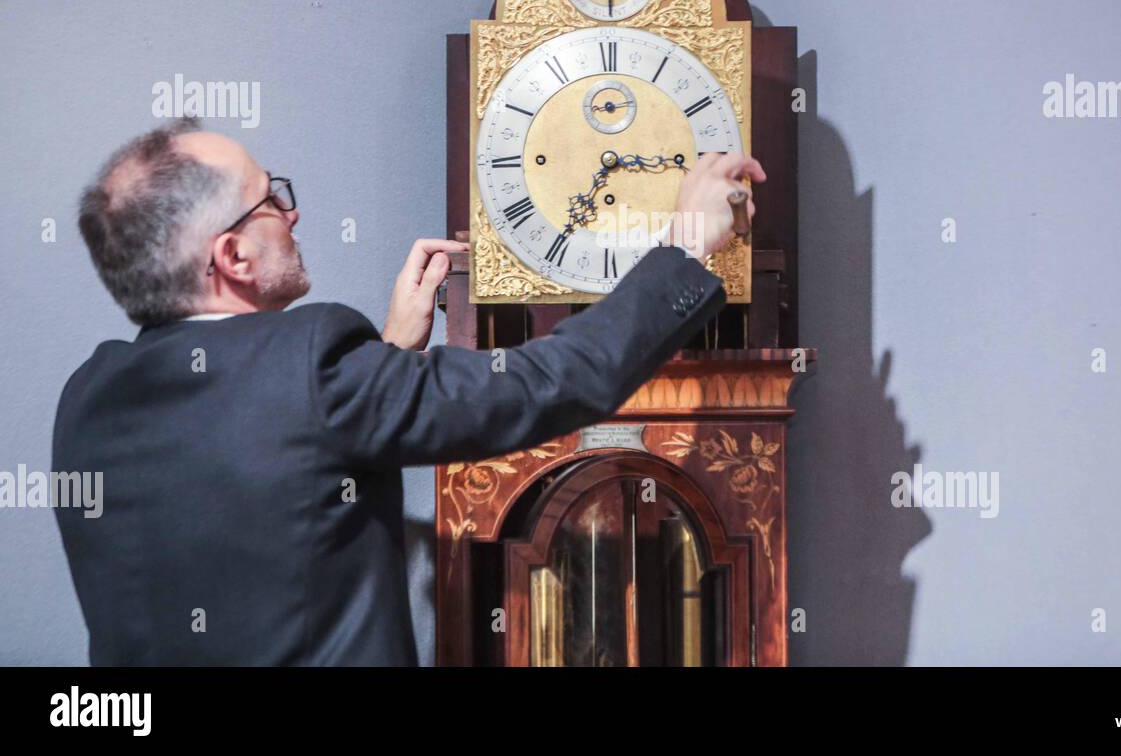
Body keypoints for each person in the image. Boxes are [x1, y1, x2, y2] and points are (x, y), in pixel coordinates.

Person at [52, 118, 764, 665]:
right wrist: (685, 247)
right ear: (232, 256)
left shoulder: (87, 398)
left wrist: (389, 358)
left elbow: (273, 477)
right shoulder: (314, 366)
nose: (291, 212)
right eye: (271, 199)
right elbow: (548, 382)